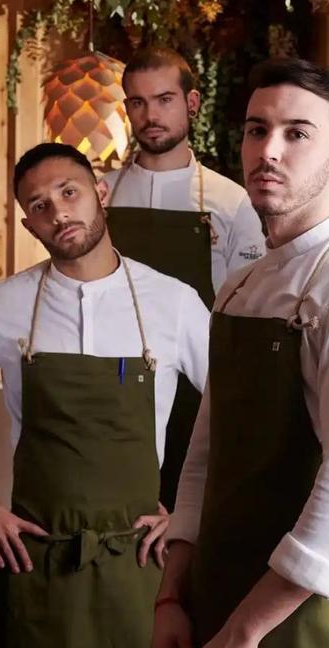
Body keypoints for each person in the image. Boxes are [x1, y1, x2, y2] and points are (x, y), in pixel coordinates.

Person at [152, 58, 329, 648]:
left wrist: (248, 630)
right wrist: (173, 595)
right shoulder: (239, 286)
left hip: (305, 612)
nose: (268, 150)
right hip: (217, 587)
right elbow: (205, 454)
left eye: (297, 133)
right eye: (256, 130)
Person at [0, 141, 210, 648]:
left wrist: (192, 512)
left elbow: (238, 410)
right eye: (39, 206)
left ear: (100, 193)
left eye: (69, 192)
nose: (58, 212)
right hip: (36, 561)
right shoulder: (2, 306)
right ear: (28, 225)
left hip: (137, 563)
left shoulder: (171, 303)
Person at [101, 46, 267, 508]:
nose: (150, 114)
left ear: (192, 103)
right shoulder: (98, 197)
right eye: (137, 102)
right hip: (108, 386)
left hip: (198, 392)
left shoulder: (233, 204)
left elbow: (245, 316)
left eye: (164, 99)